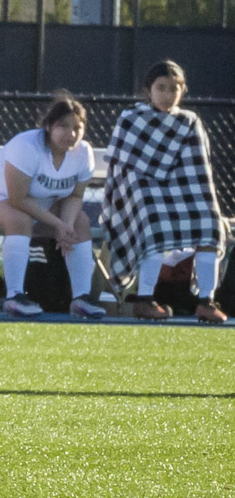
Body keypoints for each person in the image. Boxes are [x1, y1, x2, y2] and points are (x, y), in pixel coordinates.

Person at [102, 60, 228, 323]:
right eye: (161, 88)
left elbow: (198, 170)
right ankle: (144, 299)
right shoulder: (131, 119)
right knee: (154, 222)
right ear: (149, 90)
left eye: (174, 88)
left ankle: (206, 300)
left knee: (212, 225)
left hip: (183, 193)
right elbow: (123, 169)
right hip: (144, 194)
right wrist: (150, 190)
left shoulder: (190, 121)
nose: (168, 95)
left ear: (183, 90)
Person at [0, 95, 104, 320]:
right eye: (63, 126)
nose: (71, 134)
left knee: (80, 222)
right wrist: (57, 224)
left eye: (77, 127)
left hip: (40, 206)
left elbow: (76, 196)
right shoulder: (26, 146)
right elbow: (17, 199)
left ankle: (81, 298)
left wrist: (66, 226)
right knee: (19, 220)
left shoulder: (83, 152)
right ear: (48, 126)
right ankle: (14, 296)